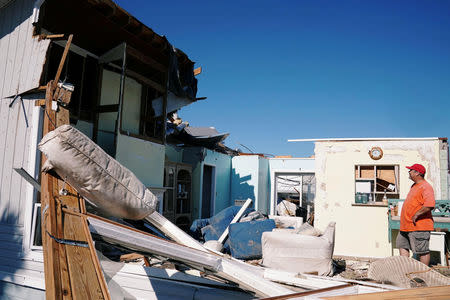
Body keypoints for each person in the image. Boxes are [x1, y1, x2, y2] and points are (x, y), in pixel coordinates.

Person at [396, 163, 435, 265]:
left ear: (417, 173)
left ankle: (422, 276)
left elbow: (429, 204)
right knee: (402, 246)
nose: (409, 172)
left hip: (419, 226)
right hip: (406, 226)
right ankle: (406, 271)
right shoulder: (414, 186)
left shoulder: (426, 187)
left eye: (411, 170)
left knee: (422, 251)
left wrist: (417, 214)